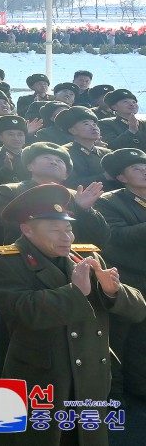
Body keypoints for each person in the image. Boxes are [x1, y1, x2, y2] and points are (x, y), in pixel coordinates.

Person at [0, 184, 146, 446]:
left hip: (91, 376)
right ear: (27, 229)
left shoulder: (87, 255)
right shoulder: (3, 260)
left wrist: (113, 291)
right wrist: (76, 293)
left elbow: (139, 311)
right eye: (55, 230)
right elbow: (25, 311)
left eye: (68, 228)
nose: (66, 237)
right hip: (43, 377)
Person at [97, 148, 146, 398]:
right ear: (122, 177)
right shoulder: (109, 201)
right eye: (137, 168)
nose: (145, 171)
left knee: (143, 339)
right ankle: (112, 393)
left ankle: (139, 387)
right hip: (126, 278)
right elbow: (116, 237)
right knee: (117, 338)